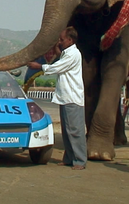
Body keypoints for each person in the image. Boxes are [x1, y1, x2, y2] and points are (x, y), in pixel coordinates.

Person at [27, 26, 86, 170]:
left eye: (62, 39)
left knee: (75, 130)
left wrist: (39, 67)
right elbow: (60, 61)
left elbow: (57, 67)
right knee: (66, 131)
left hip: (72, 98)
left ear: (70, 40)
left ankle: (80, 160)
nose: (60, 42)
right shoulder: (67, 53)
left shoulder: (73, 54)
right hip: (65, 97)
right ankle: (69, 158)